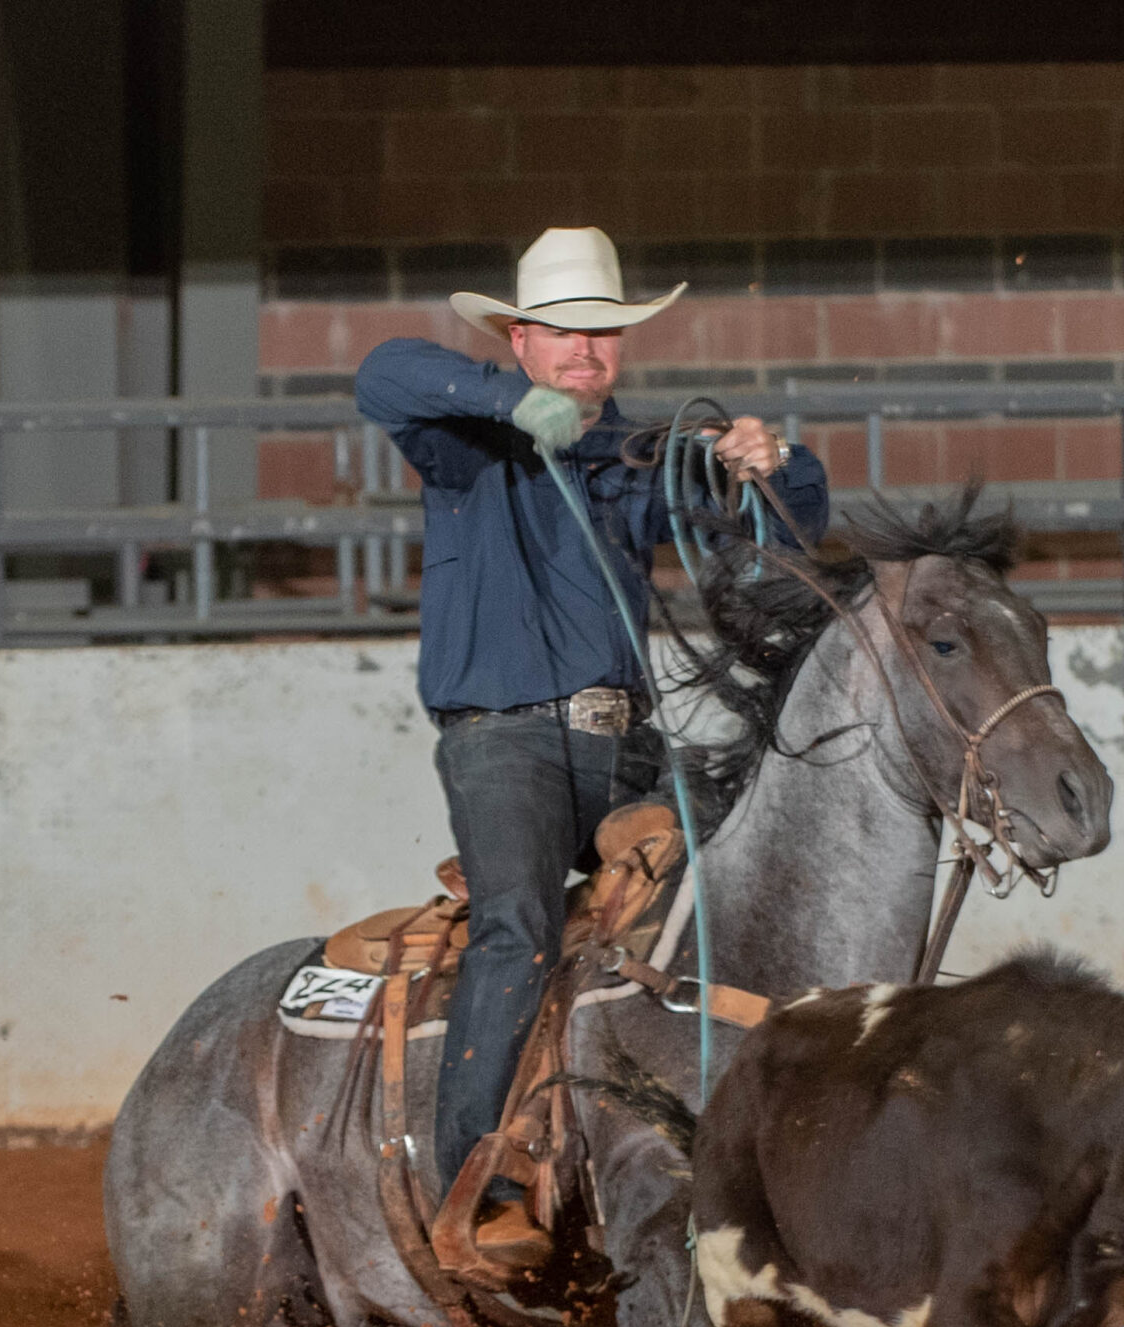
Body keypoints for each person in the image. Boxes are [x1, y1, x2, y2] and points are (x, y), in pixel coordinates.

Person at [355, 226, 830, 1270]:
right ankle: (476, 1180)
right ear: (520, 340)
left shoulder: (639, 459)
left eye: (602, 333)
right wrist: (506, 404)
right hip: (505, 743)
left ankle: (767, 1147)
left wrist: (776, 468)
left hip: (624, 752)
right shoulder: (466, 442)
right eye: (564, 334)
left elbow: (782, 535)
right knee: (518, 926)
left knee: (749, 888)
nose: (585, 351)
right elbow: (383, 372)